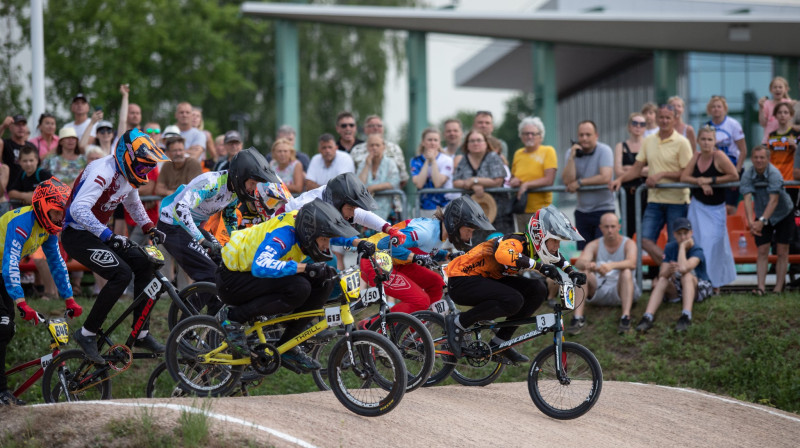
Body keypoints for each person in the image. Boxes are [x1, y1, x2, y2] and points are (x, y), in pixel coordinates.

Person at [216, 199, 365, 369]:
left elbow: (334, 234)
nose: (326, 246)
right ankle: (233, 319)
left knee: (326, 278)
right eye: (324, 239)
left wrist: (359, 243)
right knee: (299, 287)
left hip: (250, 275)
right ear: (311, 233)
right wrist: (305, 267)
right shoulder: (285, 235)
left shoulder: (307, 227)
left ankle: (289, 344)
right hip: (232, 279)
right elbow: (260, 266)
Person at [64, 129, 170, 364]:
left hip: (98, 234)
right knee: (121, 274)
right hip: (77, 235)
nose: (144, 172)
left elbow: (133, 203)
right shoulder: (103, 172)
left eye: (148, 168)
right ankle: (87, 333)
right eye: (142, 166)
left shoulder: (127, 174)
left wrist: (149, 227)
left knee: (145, 263)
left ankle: (141, 332)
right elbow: (78, 209)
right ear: (127, 156)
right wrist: (108, 235)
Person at [444, 205, 587, 362]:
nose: (556, 246)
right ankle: (458, 322)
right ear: (540, 237)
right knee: (513, 300)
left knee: (537, 289)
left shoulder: (534, 249)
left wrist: (572, 273)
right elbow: (502, 254)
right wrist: (539, 266)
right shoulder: (517, 241)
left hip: (485, 278)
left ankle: (500, 342)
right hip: (461, 280)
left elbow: (557, 257)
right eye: (554, 241)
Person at [159, 147, 291, 314]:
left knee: (222, 269)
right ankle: (187, 321)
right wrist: (201, 240)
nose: (253, 189)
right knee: (208, 274)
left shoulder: (234, 190)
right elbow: (181, 209)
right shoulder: (211, 183)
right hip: (171, 225)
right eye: (252, 184)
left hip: (190, 226)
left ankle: (214, 320)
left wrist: (235, 241)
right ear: (241, 176)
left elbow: (229, 216)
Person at [0, 178, 83, 405]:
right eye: (57, 211)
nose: (60, 217)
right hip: (2, 269)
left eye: (63, 212)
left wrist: (69, 299)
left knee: (6, 330)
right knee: (4, 326)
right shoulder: (21, 223)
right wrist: (21, 302)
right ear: (43, 205)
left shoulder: (47, 229)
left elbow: (57, 263)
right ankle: (1, 392)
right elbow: (10, 265)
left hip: (1, 273)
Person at [359, 196, 494, 325]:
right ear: (454, 223)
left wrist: (446, 255)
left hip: (396, 261)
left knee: (436, 283)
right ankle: (370, 326)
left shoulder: (439, 231)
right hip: (374, 261)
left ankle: (416, 335)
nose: (469, 236)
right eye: (468, 230)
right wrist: (414, 257)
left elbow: (423, 249)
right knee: (420, 301)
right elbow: (385, 244)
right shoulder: (425, 232)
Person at [610, 104, 693, 263]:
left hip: (676, 200)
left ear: (675, 119)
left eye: (668, 117)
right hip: (654, 200)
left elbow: (686, 173)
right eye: (661, 117)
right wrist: (620, 180)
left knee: (673, 243)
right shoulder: (649, 141)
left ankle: (672, 278)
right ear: (656, 118)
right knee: (643, 239)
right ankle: (669, 265)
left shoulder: (682, 142)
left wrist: (661, 175)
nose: (664, 120)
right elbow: (636, 169)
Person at [278, 172, 406, 269]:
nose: (352, 213)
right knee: (329, 265)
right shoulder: (311, 206)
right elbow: (322, 235)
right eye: (350, 208)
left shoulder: (334, 199)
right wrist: (356, 242)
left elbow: (363, 215)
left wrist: (390, 229)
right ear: (338, 202)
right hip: (282, 240)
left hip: (298, 243)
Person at [680, 125, 739, 290]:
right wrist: (699, 181)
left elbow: (733, 175)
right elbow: (685, 176)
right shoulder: (697, 156)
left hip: (716, 209)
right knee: (698, 244)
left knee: (714, 246)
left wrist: (711, 180)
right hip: (697, 207)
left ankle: (715, 285)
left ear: (715, 141)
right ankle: (701, 282)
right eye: (703, 139)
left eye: (709, 140)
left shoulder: (719, 156)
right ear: (698, 141)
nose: (706, 143)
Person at [635, 217, 711, 333]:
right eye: (679, 234)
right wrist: (670, 270)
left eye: (685, 233)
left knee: (686, 276)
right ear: (674, 234)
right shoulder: (670, 247)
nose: (683, 237)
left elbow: (685, 268)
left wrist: (682, 248)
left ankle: (686, 316)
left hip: (699, 288)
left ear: (691, 233)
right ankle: (647, 317)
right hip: (678, 287)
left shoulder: (697, 249)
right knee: (661, 281)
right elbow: (662, 274)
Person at [572, 212, 640, 334]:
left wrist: (611, 265)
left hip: (621, 290)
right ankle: (577, 318)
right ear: (601, 228)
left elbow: (632, 263)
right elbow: (579, 263)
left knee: (626, 272)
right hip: (599, 289)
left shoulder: (629, 243)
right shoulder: (594, 244)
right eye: (606, 227)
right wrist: (588, 265)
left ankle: (625, 317)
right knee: (582, 272)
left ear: (619, 227)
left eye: (613, 226)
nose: (610, 230)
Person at [741, 145, 794, 295]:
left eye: (762, 157)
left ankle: (778, 289)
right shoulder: (747, 174)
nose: (759, 160)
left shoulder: (774, 173)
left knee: (783, 251)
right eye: (756, 157)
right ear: (752, 159)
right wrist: (751, 223)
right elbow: (746, 199)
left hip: (783, 213)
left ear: (768, 159)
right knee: (762, 250)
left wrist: (761, 221)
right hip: (761, 212)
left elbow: (774, 201)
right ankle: (761, 288)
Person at [562, 120, 615, 249]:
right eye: (581, 135)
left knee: (601, 252)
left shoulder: (605, 150)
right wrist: (571, 158)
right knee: (583, 254)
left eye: (588, 134)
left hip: (603, 210)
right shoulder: (571, 153)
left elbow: (605, 176)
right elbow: (568, 181)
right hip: (582, 212)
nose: (584, 138)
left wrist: (580, 183)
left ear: (596, 135)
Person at [453, 130, 509, 234]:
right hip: (471, 210)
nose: (475, 143)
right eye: (472, 141)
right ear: (467, 145)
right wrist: (473, 186)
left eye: (479, 140)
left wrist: (474, 180)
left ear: (486, 143)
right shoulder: (464, 159)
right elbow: (456, 181)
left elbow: (498, 180)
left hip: (497, 209)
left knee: (498, 242)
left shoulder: (493, 157)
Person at [509, 117, 557, 232]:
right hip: (520, 209)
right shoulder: (518, 154)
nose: (529, 136)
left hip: (541, 211)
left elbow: (549, 180)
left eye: (533, 133)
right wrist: (514, 181)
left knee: (542, 247)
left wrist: (526, 185)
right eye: (526, 133)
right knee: (524, 247)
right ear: (521, 136)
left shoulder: (548, 151)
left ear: (540, 136)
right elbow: (513, 176)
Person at [705, 95, 747, 215]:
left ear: (724, 108)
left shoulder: (733, 124)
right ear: (709, 109)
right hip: (715, 169)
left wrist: (737, 171)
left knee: (729, 207)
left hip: (733, 167)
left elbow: (743, 150)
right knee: (715, 206)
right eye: (713, 107)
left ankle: (729, 231)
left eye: (719, 106)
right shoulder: (706, 127)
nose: (716, 109)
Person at [614, 112, 648, 237]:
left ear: (645, 127)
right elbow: (618, 171)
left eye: (642, 124)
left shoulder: (649, 144)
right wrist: (641, 170)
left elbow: (653, 170)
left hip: (646, 193)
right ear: (629, 126)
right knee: (628, 229)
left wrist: (629, 169)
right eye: (635, 123)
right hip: (627, 193)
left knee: (645, 230)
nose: (638, 126)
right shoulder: (620, 146)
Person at [349, 115, 409, 185]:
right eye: (371, 126)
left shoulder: (395, 148)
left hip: (390, 194)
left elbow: (403, 178)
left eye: (379, 126)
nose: (375, 128)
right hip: (363, 192)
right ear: (365, 129)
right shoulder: (356, 150)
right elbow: (351, 177)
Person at [411, 128, 454, 218]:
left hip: (443, 207)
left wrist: (433, 161)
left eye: (435, 140)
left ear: (439, 143)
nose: (432, 143)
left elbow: (438, 183)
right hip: (422, 208)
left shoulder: (447, 160)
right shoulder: (416, 160)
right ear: (423, 142)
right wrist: (427, 161)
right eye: (429, 140)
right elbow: (419, 184)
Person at [357, 134, 400, 221]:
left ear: (383, 147)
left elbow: (394, 181)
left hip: (386, 208)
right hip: (367, 211)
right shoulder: (363, 163)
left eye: (377, 145)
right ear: (367, 147)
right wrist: (367, 165)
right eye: (371, 145)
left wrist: (373, 188)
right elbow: (358, 184)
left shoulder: (390, 163)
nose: (374, 148)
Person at [766, 103, 799, 203]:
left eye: (786, 112)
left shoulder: (796, 134)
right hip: (775, 180)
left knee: (794, 215)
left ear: (791, 115)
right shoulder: (771, 135)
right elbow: (767, 158)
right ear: (775, 115)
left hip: (791, 181)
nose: (782, 115)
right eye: (779, 112)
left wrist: (795, 146)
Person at [759, 76, 796, 144]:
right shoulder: (767, 104)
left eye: (780, 87)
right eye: (775, 87)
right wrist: (761, 108)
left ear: (786, 89)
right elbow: (763, 123)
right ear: (770, 90)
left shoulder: (789, 103)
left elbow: (793, 121)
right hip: (769, 140)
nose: (777, 89)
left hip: (785, 139)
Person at [1, 114, 32, 182]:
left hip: (29, 186)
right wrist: (3, 126)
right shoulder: (5, 143)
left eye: (23, 125)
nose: (21, 127)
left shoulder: (31, 146)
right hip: (10, 186)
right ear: (10, 127)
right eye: (18, 125)